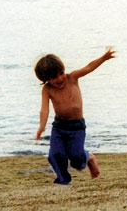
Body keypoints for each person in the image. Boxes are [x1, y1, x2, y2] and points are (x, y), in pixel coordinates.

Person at [35, 48, 115, 185]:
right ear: (45, 79)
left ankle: (89, 157)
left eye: (61, 73)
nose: (60, 78)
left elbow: (89, 67)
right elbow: (44, 109)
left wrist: (104, 58)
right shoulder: (47, 89)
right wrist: (42, 126)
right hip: (59, 127)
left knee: (77, 159)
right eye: (54, 77)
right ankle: (63, 179)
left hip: (77, 127)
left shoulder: (72, 78)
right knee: (55, 155)